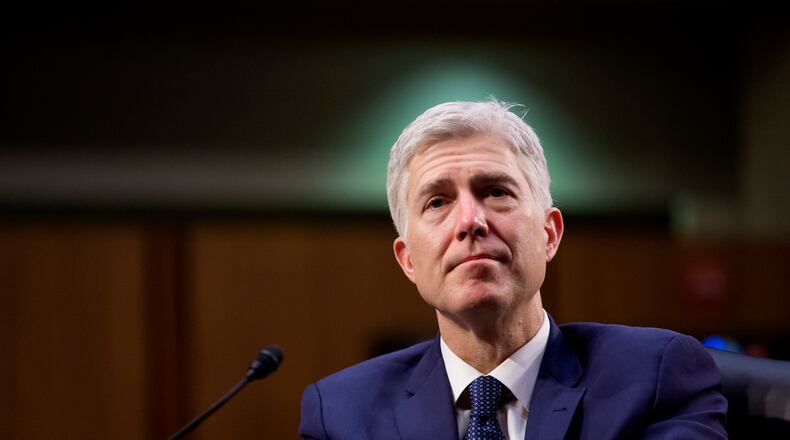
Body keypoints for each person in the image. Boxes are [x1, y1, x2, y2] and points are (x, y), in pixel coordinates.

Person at [299, 100, 727, 439]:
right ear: (408, 260)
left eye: (496, 191)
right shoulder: (341, 413)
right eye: (437, 202)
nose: (470, 220)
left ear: (549, 234)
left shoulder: (654, 378)